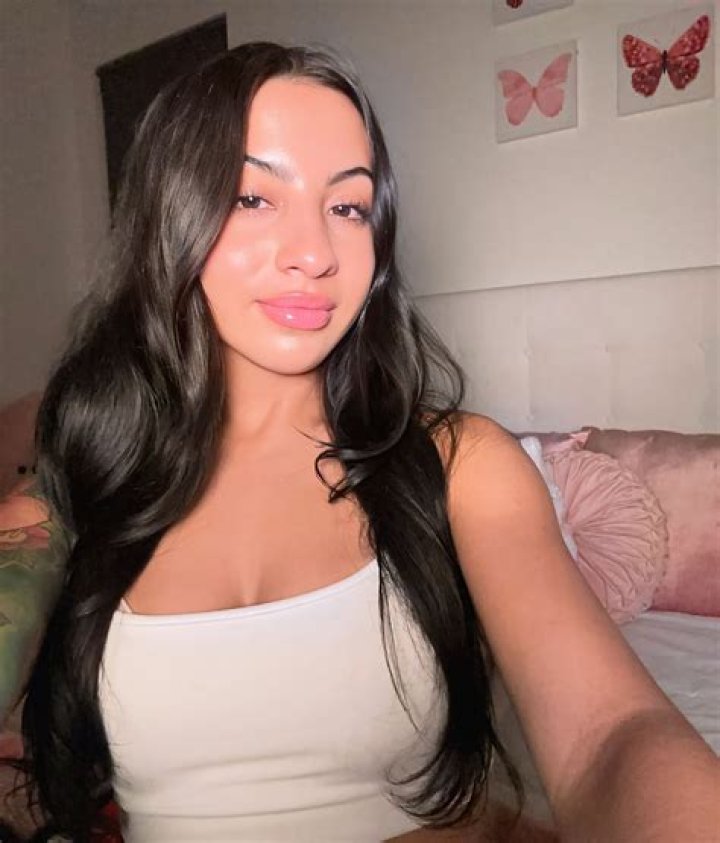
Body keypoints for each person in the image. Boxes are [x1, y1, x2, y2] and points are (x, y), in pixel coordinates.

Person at [1, 42, 717, 843]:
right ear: (172, 216)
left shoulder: (463, 467)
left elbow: (608, 734)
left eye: (348, 207)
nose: (315, 254)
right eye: (252, 197)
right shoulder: (84, 477)